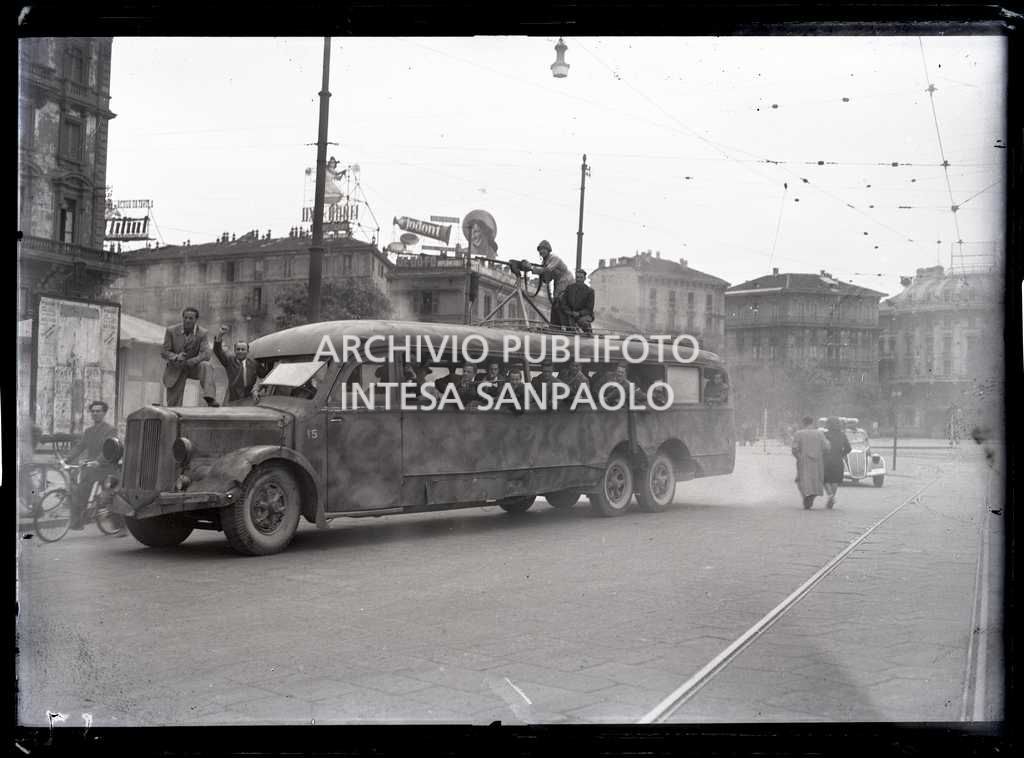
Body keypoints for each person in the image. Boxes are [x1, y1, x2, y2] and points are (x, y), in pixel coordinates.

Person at [65, 401, 118, 530]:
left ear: (104, 413)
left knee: (111, 497)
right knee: (80, 494)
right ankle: (77, 523)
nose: (95, 413)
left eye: (98, 411)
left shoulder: (110, 430)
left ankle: (120, 526)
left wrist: (99, 461)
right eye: (93, 411)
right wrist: (67, 458)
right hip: (91, 468)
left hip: (106, 468)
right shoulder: (88, 431)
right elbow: (80, 446)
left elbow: (109, 449)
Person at [162, 307, 218, 407]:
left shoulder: (202, 333)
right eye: (186, 318)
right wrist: (176, 357)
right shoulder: (171, 331)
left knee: (206, 365)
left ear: (196, 320)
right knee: (173, 405)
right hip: (176, 367)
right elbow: (164, 351)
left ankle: (210, 397)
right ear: (182, 318)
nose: (187, 320)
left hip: (193, 367)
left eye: (191, 318)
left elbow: (206, 353)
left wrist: (193, 360)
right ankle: (174, 410)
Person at [213, 325, 267, 403]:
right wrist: (220, 335)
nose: (240, 351)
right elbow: (218, 351)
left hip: (249, 396)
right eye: (238, 349)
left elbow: (264, 375)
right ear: (235, 351)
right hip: (232, 396)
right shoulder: (229, 360)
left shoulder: (254, 363)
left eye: (243, 349)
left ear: (247, 351)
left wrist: (256, 389)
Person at [530, 240, 574, 327]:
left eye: (544, 249)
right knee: (556, 303)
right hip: (558, 281)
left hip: (566, 280)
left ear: (548, 250)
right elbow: (547, 278)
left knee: (560, 302)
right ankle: (555, 325)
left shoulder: (554, 258)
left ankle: (565, 325)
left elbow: (547, 270)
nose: (541, 251)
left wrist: (531, 268)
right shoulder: (544, 262)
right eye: (540, 250)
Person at [792, 415, 830, 510]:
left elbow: (794, 449)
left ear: (803, 423)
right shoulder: (820, 434)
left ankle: (805, 496)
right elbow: (826, 447)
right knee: (816, 480)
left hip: (803, 461)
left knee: (801, 480)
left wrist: (799, 458)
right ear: (812, 423)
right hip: (817, 462)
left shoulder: (798, 434)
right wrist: (821, 455)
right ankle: (812, 496)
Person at [821, 417, 852, 508]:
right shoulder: (842, 435)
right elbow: (849, 448)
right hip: (838, 459)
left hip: (826, 459)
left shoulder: (824, 434)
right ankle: (832, 496)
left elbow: (821, 446)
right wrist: (842, 454)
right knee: (835, 480)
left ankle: (830, 495)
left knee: (825, 479)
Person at [561, 269, 595, 333]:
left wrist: (579, 313)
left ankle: (589, 334)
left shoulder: (590, 291)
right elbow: (564, 303)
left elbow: (589, 308)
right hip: (571, 313)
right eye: (577, 277)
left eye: (581, 277)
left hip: (585, 315)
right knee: (567, 324)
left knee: (582, 322)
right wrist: (570, 312)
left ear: (584, 278)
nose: (579, 279)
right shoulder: (569, 288)